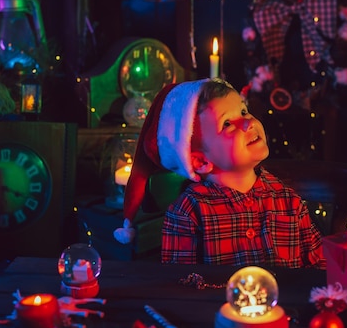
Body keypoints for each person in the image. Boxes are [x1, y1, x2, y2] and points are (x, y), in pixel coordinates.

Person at [114, 78, 325, 269]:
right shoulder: (187, 214)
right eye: (227, 123)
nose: (248, 122)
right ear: (201, 161)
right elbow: (180, 286)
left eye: (243, 111)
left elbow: (320, 268)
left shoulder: (288, 202)